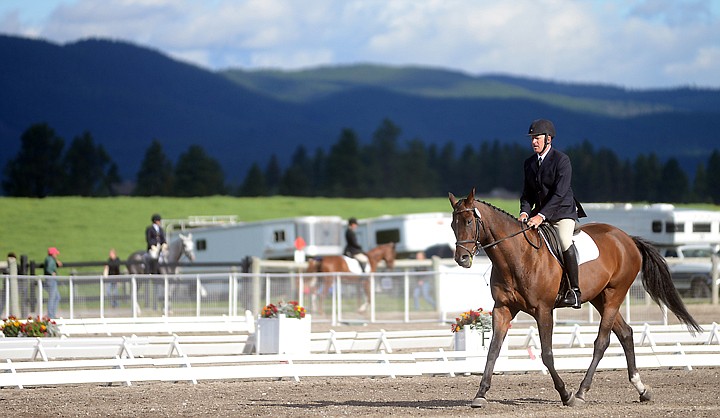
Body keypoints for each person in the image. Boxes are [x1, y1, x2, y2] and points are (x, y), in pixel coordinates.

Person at [519, 119, 586, 309]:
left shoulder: (562, 160)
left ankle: (574, 291)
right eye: (532, 138)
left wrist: (541, 216)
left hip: (562, 211)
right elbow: (527, 193)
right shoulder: (529, 163)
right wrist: (524, 212)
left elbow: (560, 193)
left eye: (537, 138)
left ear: (548, 139)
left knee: (564, 241)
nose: (533, 142)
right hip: (538, 214)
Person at [44, 247, 63, 318]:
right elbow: (49, 268)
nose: (56, 255)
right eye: (55, 254)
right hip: (51, 280)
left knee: (57, 297)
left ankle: (52, 314)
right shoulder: (50, 260)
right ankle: (50, 315)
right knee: (53, 297)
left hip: (51, 280)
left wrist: (56, 262)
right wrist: (52, 273)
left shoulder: (50, 259)